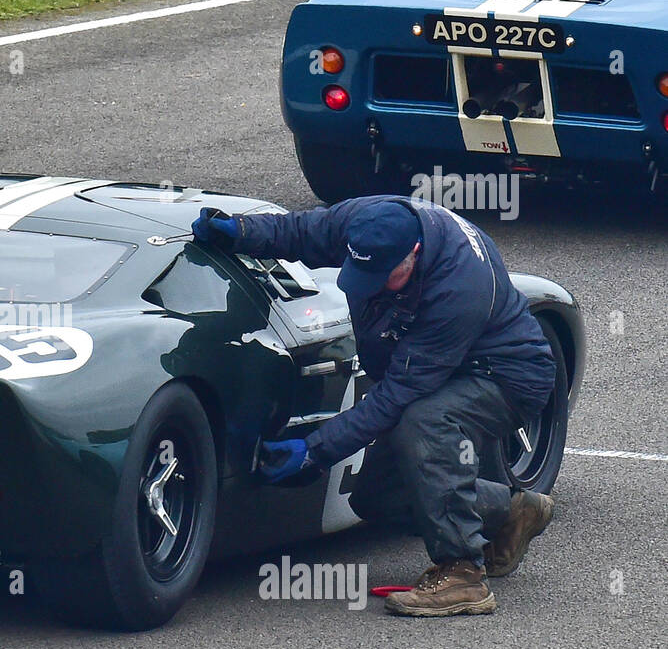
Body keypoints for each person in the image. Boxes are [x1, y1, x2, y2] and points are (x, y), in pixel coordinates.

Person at [192, 196, 557, 617]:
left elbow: (395, 397)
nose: (374, 285)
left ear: (414, 253)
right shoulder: (368, 221)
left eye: (385, 276)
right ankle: (510, 511)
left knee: (424, 421)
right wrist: (240, 231)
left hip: (505, 375)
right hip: (442, 369)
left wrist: (315, 450)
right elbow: (298, 231)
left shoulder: (458, 289)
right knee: (376, 498)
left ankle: (462, 574)